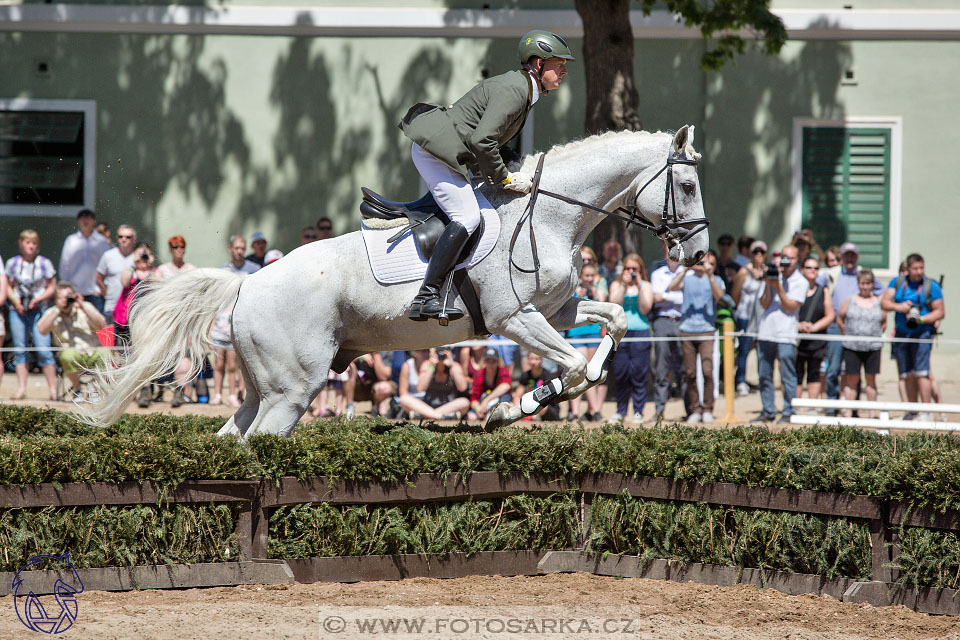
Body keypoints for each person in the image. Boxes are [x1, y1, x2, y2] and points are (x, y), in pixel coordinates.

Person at [400, 30, 574, 322]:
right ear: (538, 64)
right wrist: (503, 177)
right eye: (559, 64)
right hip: (436, 153)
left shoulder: (524, 89)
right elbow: (483, 140)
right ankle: (426, 296)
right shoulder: (516, 90)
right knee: (468, 217)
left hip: (450, 153)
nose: (565, 70)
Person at [882, 253, 944, 420]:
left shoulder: (931, 286)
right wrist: (900, 307)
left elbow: (940, 311)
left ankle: (926, 412)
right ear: (907, 269)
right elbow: (885, 302)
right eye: (915, 268)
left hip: (922, 333)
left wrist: (922, 319)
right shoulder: (898, 283)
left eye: (921, 268)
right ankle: (912, 411)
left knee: (922, 372)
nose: (919, 271)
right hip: (902, 333)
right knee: (906, 373)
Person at [823, 242, 884, 402]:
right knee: (834, 368)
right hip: (838, 327)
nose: (849, 258)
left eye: (852, 255)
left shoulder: (864, 273)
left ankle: (855, 409)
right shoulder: (833, 273)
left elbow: (884, 294)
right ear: (841, 257)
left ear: (857, 257)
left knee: (854, 375)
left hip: (864, 339)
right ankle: (832, 405)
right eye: (846, 255)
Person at [670, 250, 725, 423]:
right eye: (698, 261)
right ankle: (694, 409)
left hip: (707, 330)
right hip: (687, 330)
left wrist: (710, 276)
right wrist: (685, 269)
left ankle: (708, 408)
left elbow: (720, 297)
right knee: (690, 373)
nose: (701, 264)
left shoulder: (716, 280)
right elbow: (671, 287)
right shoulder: (687, 277)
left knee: (708, 371)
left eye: (704, 261)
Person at [754, 245, 806, 423]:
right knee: (764, 374)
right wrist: (770, 283)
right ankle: (768, 410)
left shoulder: (801, 280)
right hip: (766, 332)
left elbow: (790, 306)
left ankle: (788, 410)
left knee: (787, 375)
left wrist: (778, 286)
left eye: (790, 258)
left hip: (786, 334)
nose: (786, 261)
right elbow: (764, 304)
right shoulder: (774, 274)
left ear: (797, 260)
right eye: (784, 257)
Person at [5, 230, 57, 400]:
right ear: (21, 244)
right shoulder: (12, 263)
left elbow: (51, 286)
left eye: (34, 243)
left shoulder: (44, 263)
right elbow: (7, 286)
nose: (31, 246)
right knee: (20, 349)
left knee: (43, 349)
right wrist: (15, 301)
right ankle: (21, 389)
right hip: (18, 310)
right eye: (28, 243)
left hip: (39, 309)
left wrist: (38, 299)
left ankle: (53, 391)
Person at [37, 282, 110, 399]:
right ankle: (78, 389)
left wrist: (81, 305)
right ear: (56, 298)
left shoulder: (84, 306)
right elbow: (42, 330)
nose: (67, 300)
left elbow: (102, 324)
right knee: (67, 356)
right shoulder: (52, 312)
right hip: (70, 353)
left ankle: (95, 388)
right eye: (63, 297)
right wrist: (58, 310)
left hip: (92, 350)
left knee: (106, 353)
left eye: (69, 296)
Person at [608, 253, 653, 423]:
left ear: (640, 269)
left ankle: (638, 411)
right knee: (621, 373)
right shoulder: (616, 284)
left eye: (634, 268)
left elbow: (645, 308)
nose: (631, 271)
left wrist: (640, 284)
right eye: (628, 268)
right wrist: (622, 285)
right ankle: (621, 411)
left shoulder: (646, 285)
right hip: (621, 333)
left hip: (640, 332)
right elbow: (614, 304)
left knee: (639, 374)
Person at [113, 243, 158, 407]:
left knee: (144, 354)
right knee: (125, 355)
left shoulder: (154, 272)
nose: (143, 258)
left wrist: (150, 269)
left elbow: (159, 284)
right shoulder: (130, 271)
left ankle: (145, 389)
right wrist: (134, 264)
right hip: (126, 320)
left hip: (146, 321)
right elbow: (125, 282)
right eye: (141, 254)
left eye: (146, 254)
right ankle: (126, 390)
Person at [155, 235, 196, 407]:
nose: (178, 250)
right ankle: (157, 391)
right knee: (160, 354)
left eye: (181, 246)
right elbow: (155, 295)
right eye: (174, 247)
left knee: (183, 353)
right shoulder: (162, 270)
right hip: (165, 319)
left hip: (184, 320)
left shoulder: (192, 270)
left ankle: (180, 391)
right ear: (170, 249)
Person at [838, 269, 885, 418]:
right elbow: (840, 318)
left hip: (873, 347)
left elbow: (884, 322)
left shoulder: (878, 302)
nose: (865, 287)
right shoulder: (850, 300)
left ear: (872, 285)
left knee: (871, 380)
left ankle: (872, 413)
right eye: (862, 283)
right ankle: (848, 412)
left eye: (868, 283)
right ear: (858, 284)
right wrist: (848, 333)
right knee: (852, 379)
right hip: (852, 347)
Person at [650, 244, 688, 419]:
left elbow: (688, 299)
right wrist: (672, 297)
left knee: (685, 368)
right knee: (661, 368)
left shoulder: (688, 272)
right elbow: (655, 298)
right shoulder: (657, 274)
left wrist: (665, 296)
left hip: (683, 322)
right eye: (668, 248)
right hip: (662, 321)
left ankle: (690, 410)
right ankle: (659, 410)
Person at [566, 261, 607, 422]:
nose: (589, 279)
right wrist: (578, 295)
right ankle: (574, 412)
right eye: (587, 276)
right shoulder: (572, 291)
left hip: (593, 334)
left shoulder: (598, 290)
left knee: (593, 373)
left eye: (592, 276)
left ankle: (595, 410)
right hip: (576, 334)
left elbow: (603, 305)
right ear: (581, 277)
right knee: (578, 372)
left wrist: (595, 294)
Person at [796, 257, 835, 403]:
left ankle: (812, 406)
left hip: (817, 340)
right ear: (802, 270)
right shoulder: (796, 289)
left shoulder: (823, 291)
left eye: (816, 268)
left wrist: (813, 327)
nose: (813, 270)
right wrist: (798, 326)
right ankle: (796, 407)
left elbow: (830, 315)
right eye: (809, 267)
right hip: (797, 340)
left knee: (814, 373)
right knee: (797, 374)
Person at [731, 240, 766, 396]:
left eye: (762, 252)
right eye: (755, 252)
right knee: (744, 350)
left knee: (762, 351)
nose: (758, 255)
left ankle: (763, 380)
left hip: (762, 318)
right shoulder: (743, 272)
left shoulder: (767, 271)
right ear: (751, 254)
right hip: (745, 316)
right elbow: (735, 295)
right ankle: (740, 380)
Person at [58, 209, 110, 314]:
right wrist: (68, 289)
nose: (85, 221)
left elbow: (107, 266)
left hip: (95, 293)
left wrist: (101, 289)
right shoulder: (71, 240)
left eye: (88, 218)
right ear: (78, 221)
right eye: (82, 218)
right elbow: (64, 266)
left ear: (94, 221)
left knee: (97, 327)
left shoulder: (101, 241)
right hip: (75, 292)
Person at [398, 346, 470, 420]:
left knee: (465, 402)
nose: (441, 355)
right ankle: (440, 417)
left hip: (449, 407)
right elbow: (420, 388)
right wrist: (432, 366)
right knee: (404, 399)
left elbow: (462, 388)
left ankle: (427, 416)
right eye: (438, 352)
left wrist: (451, 366)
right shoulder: (427, 364)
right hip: (428, 406)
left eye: (443, 352)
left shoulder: (455, 366)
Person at [95, 224, 137, 325]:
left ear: (134, 239)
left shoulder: (137, 258)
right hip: (111, 308)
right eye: (120, 236)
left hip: (133, 309)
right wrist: (106, 293)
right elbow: (99, 277)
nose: (124, 239)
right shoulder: (108, 255)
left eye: (128, 237)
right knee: (109, 340)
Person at [467, 347, 513, 422]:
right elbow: (474, 399)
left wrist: (486, 401)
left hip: (499, 402)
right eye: (488, 361)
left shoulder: (503, 371)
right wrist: (479, 409)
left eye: (493, 361)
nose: (491, 364)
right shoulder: (479, 374)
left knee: (506, 397)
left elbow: (506, 386)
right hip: (484, 407)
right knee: (471, 416)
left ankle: (496, 416)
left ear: (498, 362)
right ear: (484, 361)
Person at [512, 352, 560, 421]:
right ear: (527, 360)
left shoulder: (548, 376)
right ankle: (530, 416)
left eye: (536, 359)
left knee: (541, 407)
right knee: (514, 401)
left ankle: (530, 416)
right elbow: (517, 395)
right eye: (531, 359)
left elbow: (547, 397)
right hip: (532, 406)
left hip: (548, 409)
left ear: (541, 360)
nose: (533, 362)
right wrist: (516, 403)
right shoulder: (525, 375)